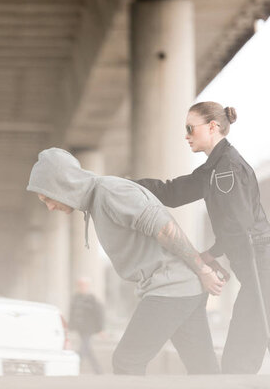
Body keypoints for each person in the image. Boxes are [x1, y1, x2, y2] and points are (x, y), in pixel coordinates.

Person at [27, 148, 222, 375]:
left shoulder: (110, 192)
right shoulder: (98, 199)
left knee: (127, 361)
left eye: (48, 197)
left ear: (64, 183)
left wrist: (202, 269)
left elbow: (165, 227)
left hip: (171, 286)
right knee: (203, 369)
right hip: (182, 286)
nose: (50, 207)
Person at [135, 101, 270, 374]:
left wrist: (208, 256)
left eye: (189, 128)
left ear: (212, 126)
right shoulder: (214, 168)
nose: (186, 135)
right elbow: (172, 193)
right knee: (240, 357)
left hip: (261, 269)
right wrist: (126, 185)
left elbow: (238, 226)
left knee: (238, 362)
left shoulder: (227, 169)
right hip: (256, 270)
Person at [69, 277, 104, 374]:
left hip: (89, 328)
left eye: (84, 285)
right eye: (80, 285)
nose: (82, 287)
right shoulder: (75, 298)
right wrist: (70, 326)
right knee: (88, 349)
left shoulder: (92, 298)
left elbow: (98, 314)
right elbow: (72, 313)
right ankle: (98, 370)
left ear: (87, 286)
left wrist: (101, 329)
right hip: (79, 328)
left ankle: (75, 367)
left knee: (83, 348)